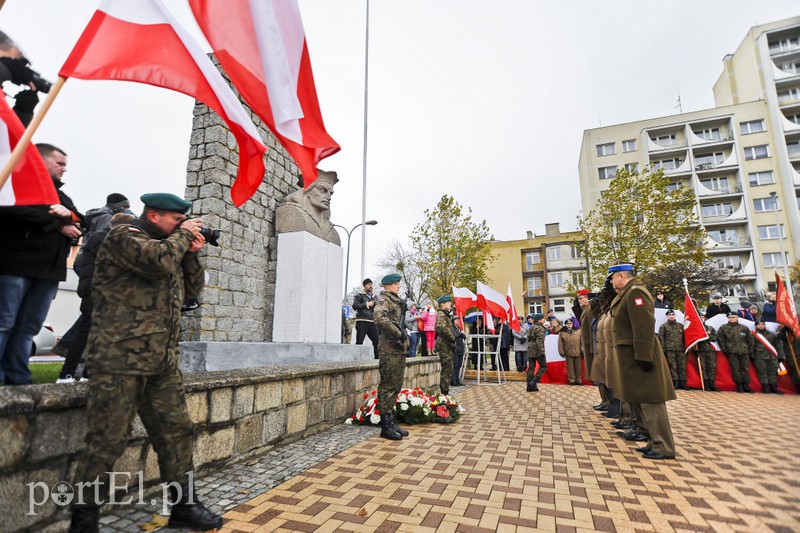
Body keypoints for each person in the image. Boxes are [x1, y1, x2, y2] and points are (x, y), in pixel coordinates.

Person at [68, 193, 220, 532]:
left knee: (177, 432)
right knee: (107, 440)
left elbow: (193, 291)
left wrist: (192, 254)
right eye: (176, 220)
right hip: (119, 360)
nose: (182, 226)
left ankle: (183, 506)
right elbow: (157, 262)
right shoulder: (124, 237)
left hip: (161, 362)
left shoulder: (172, 246)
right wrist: (182, 238)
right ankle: (84, 518)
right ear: (153, 215)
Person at [0, 143, 83, 385]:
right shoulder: (16, 184)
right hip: (16, 266)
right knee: (4, 324)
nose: (64, 169)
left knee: (27, 328)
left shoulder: (61, 194)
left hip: (48, 272)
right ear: (41, 160)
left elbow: (81, 219)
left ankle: (17, 378)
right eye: (59, 163)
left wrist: (70, 217)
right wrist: (57, 222)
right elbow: (15, 211)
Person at [56, 212, 137, 383]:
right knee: (86, 332)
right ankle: (66, 374)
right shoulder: (101, 237)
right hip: (95, 291)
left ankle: (88, 373)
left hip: (102, 291)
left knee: (100, 333)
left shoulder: (104, 237)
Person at [607, 263, 676, 460]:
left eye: (612, 278)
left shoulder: (636, 293)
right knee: (639, 399)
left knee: (651, 401)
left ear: (621, 276)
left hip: (640, 355)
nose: (611, 282)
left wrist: (644, 354)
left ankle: (664, 446)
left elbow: (644, 324)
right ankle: (652, 441)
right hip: (631, 356)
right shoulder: (626, 294)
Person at [373, 273, 409, 441]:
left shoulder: (397, 300)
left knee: (396, 385)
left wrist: (403, 337)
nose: (398, 286)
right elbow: (379, 318)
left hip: (398, 349)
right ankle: (385, 426)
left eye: (398, 284)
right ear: (386, 286)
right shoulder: (384, 300)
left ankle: (391, 420)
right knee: (388, 385)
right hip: (388, 348)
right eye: (395, 284)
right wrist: (397, 333)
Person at [275, 170, 341, 245]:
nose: (329, 197)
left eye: (331, 193)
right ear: (308, 190)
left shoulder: (331, 230)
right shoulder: (292, 213)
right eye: (322, 190)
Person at [716, 313, 755, 393]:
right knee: (735, 369)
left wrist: (750, 351)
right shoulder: (723, 328)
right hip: (731, 352)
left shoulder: (743, 328)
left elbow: (750, 340)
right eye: (729, 317)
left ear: (737, 318)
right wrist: (725, 350)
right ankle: (739, 385)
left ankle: (746, 385)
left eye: (733, 317)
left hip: (744, 352)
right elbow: (721, 340)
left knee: (745, 368)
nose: (731, 319)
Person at [752, 320, 784, 394]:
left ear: (765, 325)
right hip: (759, 357)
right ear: (756, 326)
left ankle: (774, 388)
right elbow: (751, 345)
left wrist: (781, 355)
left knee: (772, 372)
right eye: (758, 324)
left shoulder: (771, 334)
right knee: (762, 373)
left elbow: (778, 345)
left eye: (762, 324)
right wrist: (751, 355)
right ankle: (765, 388)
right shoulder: (753, 334)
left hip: (772, 356)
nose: (760, 326)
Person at [658, 310, 686, 389]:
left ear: (675, 315)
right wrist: (663, 349)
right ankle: (675, 382)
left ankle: (683, 382)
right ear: (667, 316)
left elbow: (685, 338)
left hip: (680, 349)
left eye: (673, 314)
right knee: (673, 367)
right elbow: (661, 339)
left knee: (682, 366)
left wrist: (686, 348)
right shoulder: (663, 326)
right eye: (669, 314)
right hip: (670, 350)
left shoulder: (680, 326)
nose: (671, 316)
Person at [352, 278, 380, 359]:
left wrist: (379, 303)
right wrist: (367, 304)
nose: (370, 286)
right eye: (368, 284)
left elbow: (377, 306)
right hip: (362, 321)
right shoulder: (359, 295)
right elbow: (355, 306)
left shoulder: (375, 296)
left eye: (371, 284)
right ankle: (356, 360)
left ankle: (377, 359)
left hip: (372, 321)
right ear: (364, 286)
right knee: (359, 342)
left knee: (377, 340)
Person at [434, 295, 456, 394]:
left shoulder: (446, 314)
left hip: (446, 344)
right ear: (442, 304)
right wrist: (452, 337)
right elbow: (441, 327)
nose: (450, 304)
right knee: (446, 370)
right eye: (447, 302)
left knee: (448, 369)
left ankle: (445, 391)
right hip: (444, 344)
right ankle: (444, 393)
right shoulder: (441, 314)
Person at [696, 314, 720, 391]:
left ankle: (712, 384)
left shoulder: (710, 328)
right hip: (700, 350)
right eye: (700, 318)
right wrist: (694, 350)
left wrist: (707, 335)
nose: (701, 319)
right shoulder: (695, 328)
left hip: (710, 350)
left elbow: (715, 338)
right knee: (703, 367)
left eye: (702, 317)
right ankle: (706, 384)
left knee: (711, 367)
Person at [525, 313, 547, 392]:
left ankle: (529, 386)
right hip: (537, 349)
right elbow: (540, 341)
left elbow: (528, 337)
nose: (544, 320)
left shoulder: (531, 327)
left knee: (531, 367)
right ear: (540, 320)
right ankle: (534, 381)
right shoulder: (540, 329)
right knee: (544, 366)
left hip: (530, 348)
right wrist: (542, 352)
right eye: (543, 318)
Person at [558, 318, 583, 385]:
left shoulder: (578, 331)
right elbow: (560, 343)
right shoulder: (562, 332)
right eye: (567, 323)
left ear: (572, 324)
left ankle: (579, 380)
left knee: (578, 367)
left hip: (577, 351)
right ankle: (572, 380)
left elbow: (582, 341)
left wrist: (582, 349)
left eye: (570, 323)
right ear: (565, 324)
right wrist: (561, 351)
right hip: (568, 352)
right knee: (570, 368)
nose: (569, 325)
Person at [452, 315, 467, 386]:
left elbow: (462, 336)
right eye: (456, 320)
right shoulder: (452, 328)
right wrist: (460, 334)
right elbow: (454, 336)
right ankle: (453, 380)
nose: (458, 321)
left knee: (459, 365)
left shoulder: (459, 328)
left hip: (460, 349)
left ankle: (457, 379)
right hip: (455, 350)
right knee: (455, 365)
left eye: (458, 320)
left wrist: (463, 334)